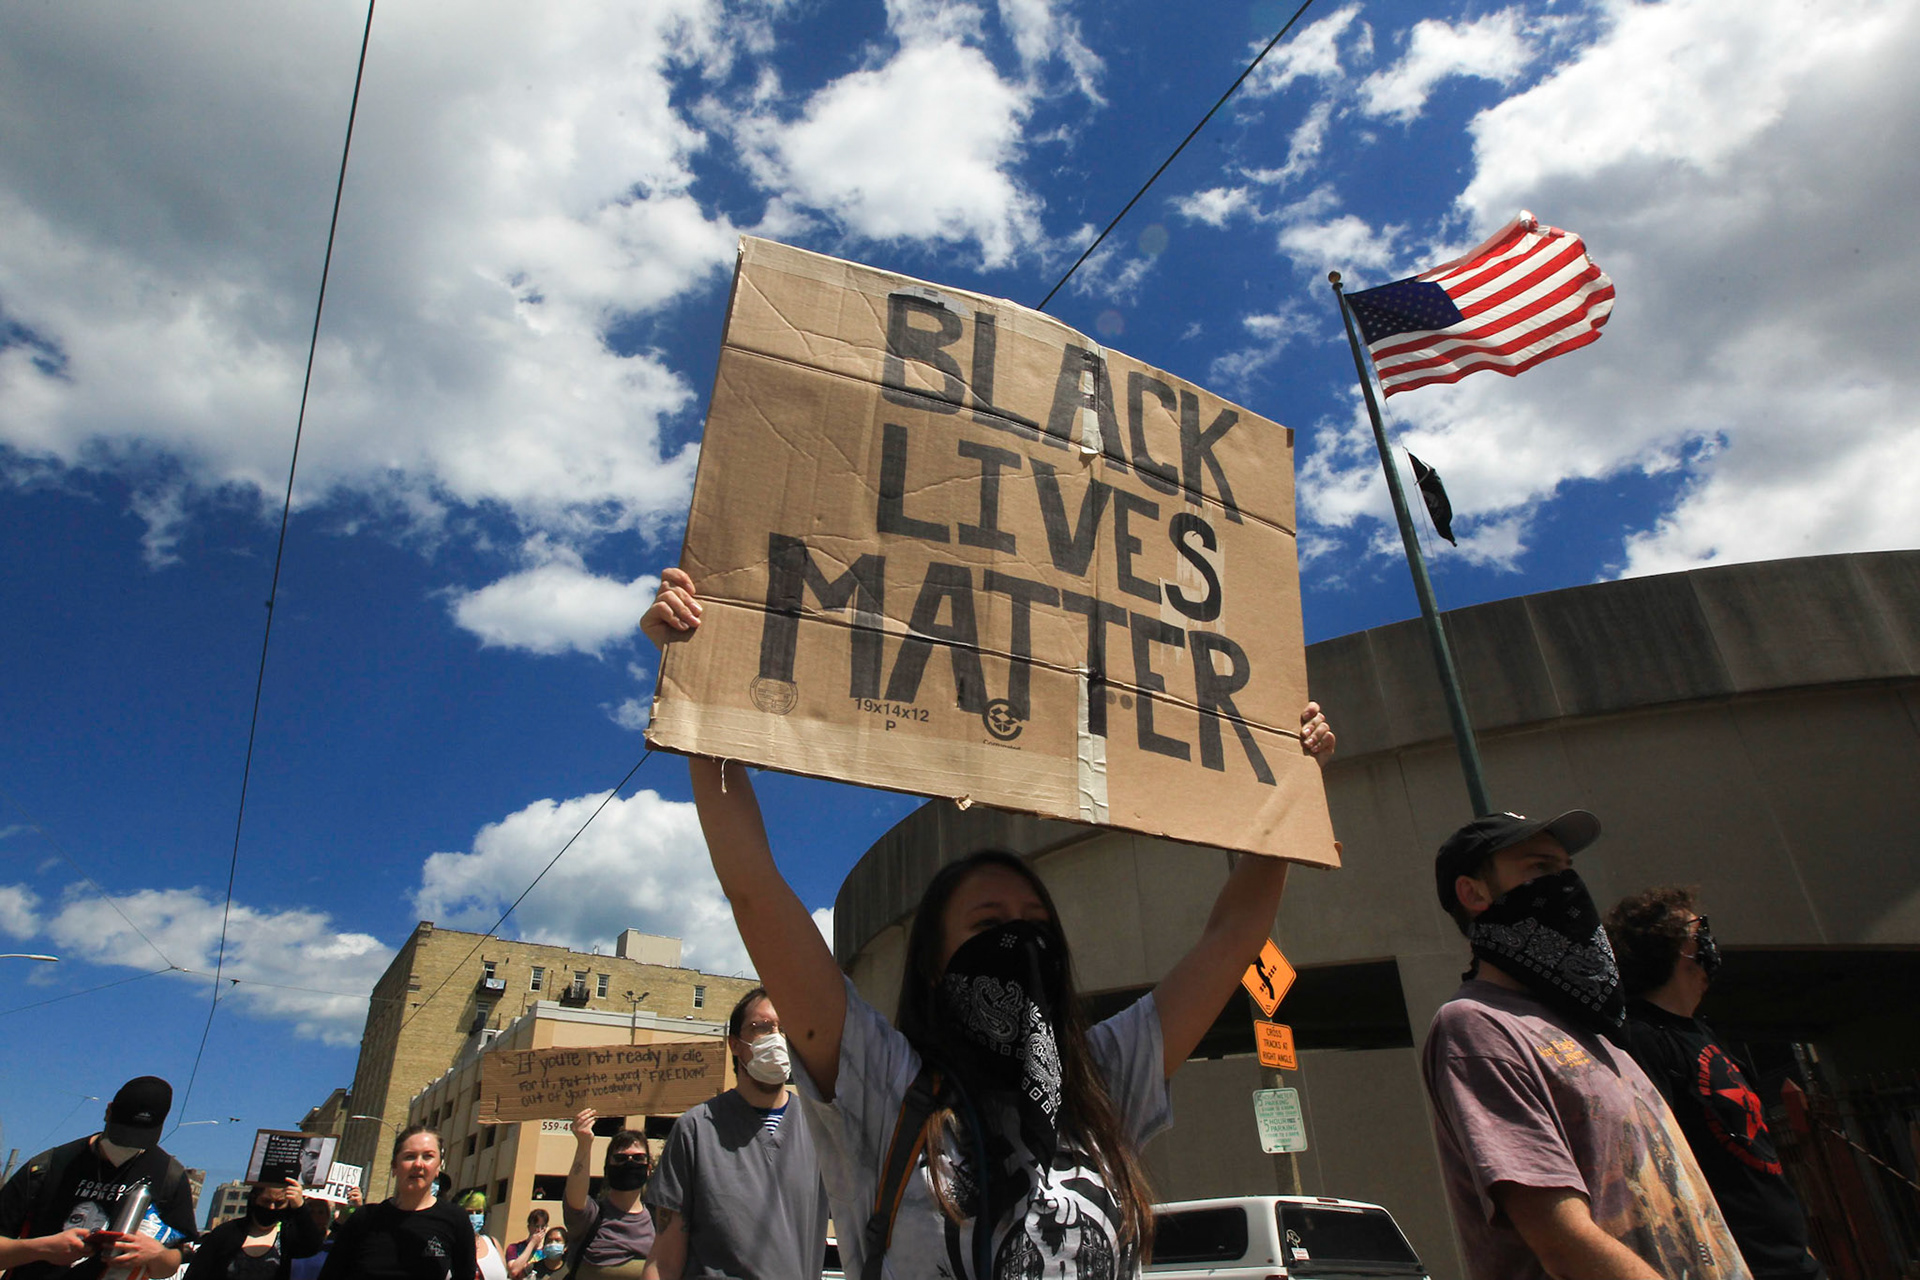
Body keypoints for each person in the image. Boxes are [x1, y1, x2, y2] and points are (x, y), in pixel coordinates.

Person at [642, 568, 1337, 1280]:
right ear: (937, 964)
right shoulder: (882, 1086)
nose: (1020, 938)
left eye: (1037, 922)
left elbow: (1232, 939)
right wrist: (707, 694)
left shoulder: (1103, 1082)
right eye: (989, 922)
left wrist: (1290, 785)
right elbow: (756, 892)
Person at [1422, 811, 1750, 1280]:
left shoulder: (1598, 1031)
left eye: (1565, 868)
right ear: (1473, 893)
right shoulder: (1477, 1027)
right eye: (1539, 869)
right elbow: (1562, 1241)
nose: (1565, 885)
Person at [1607, 888, 1826, 1280]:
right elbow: (1654, 1168)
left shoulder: (1702, 1034)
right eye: (1696, 931)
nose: (1707, 941)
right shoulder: (1642, 1040)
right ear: (1670, 946)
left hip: (1791, 1263)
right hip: (1736, 1266)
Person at [642, 988, 828, 1280]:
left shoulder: (821, 1130)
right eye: (761, 1028)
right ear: (735, 1045)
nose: (776, 1038)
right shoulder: (696, 1130)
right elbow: (664, 1262)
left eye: (785, 1028)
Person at [0, 1075, 196, 1280]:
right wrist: (40, 1248)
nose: (128, 1144)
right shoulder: (49, 1166)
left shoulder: (168, 1175)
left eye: (140, 1137)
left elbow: (174, 1261)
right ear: (108, 1111)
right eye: (123, 1133)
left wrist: (157, 1255)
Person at [317, 1126, 474, 1280]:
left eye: (428, 1156)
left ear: (439, 1166)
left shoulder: (455, 1219)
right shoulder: (365, 1218)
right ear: (394, 1166)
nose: (418, 1164)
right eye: (409, 1156)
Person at [562, 1111, 654, 1279]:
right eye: (620, 1158)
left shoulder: (659, 1224)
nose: (630, 1162)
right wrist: (584, 1143)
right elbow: (574, 1198)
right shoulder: (591, 1217)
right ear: (607, 1168)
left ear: (648, 1169)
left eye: (639, 1158)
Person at [184, 1180, 322, 1280]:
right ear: (254, 1199)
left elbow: (312, 1245)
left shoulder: (287, 1235)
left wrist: (300, 1208)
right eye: (266, 1201)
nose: (272, 1208)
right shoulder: (226, 1233)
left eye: (279, 1203)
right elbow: (197, 1273)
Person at [458, 1191, 509, 1280]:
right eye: (469, 1212)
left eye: (478, 1212)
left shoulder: (493, 1243)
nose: (474, 1216)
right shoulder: (452, 1244)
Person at [504, 1209, 549, 1278]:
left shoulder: (547, 1251)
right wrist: (532, 1244)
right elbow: (513, 1271)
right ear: (529, 1227)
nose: (539, 1230)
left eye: (542, 1227)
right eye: (536, 1226)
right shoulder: (514, 1248)